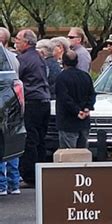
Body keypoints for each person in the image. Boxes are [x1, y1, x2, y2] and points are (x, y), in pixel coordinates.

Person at [15, 29, 51, 188]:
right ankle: (42, 172)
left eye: (18, 39)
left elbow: (16, 79)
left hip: (32, 102)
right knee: (41, 139)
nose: (15, 42)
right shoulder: (40, 57)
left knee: (30, 139)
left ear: (26, 42)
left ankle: (31, 176)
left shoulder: (22, 59)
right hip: (44, 100)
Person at [55, 50, 96, 148]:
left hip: (67, 122)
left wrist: (77, 111)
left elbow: (64, 98)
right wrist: (87, 108)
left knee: (68, 154)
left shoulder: (61, 77)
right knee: (83, 152)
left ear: (63, 62)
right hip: (84, 121)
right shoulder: (86, 76)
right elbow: (92, 94)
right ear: (77, 62)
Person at [0, 27, 21, 195]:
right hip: (12, 104)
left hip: (6, 103)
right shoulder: (13, 59)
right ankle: (14, 183)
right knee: (10, 140)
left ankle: (2, 184)